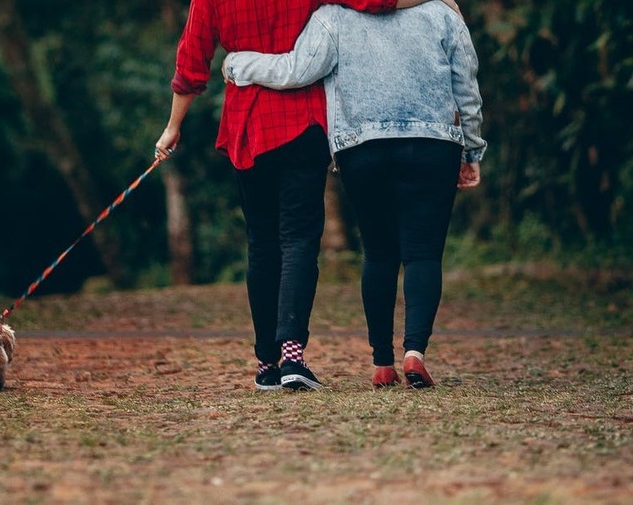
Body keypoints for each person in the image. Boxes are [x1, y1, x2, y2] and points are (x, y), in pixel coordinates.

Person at [154, 0, 446, 391]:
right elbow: (376, 2)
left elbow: (192, 62)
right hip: (302, 124)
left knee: (261, 243)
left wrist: (173, 127)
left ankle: (266, 364)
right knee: (299, 241)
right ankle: (293, 356)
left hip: (247, 128)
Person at [223, 0, 486, 388]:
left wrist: (238, 64)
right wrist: (472, 148)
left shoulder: (333, 17)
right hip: (434, 144)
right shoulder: (443, 13)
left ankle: (382, 362)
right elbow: (466, 83)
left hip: (362, 148)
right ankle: (415, 353)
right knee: (423, 253)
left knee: (378, 252)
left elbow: (295, 70)